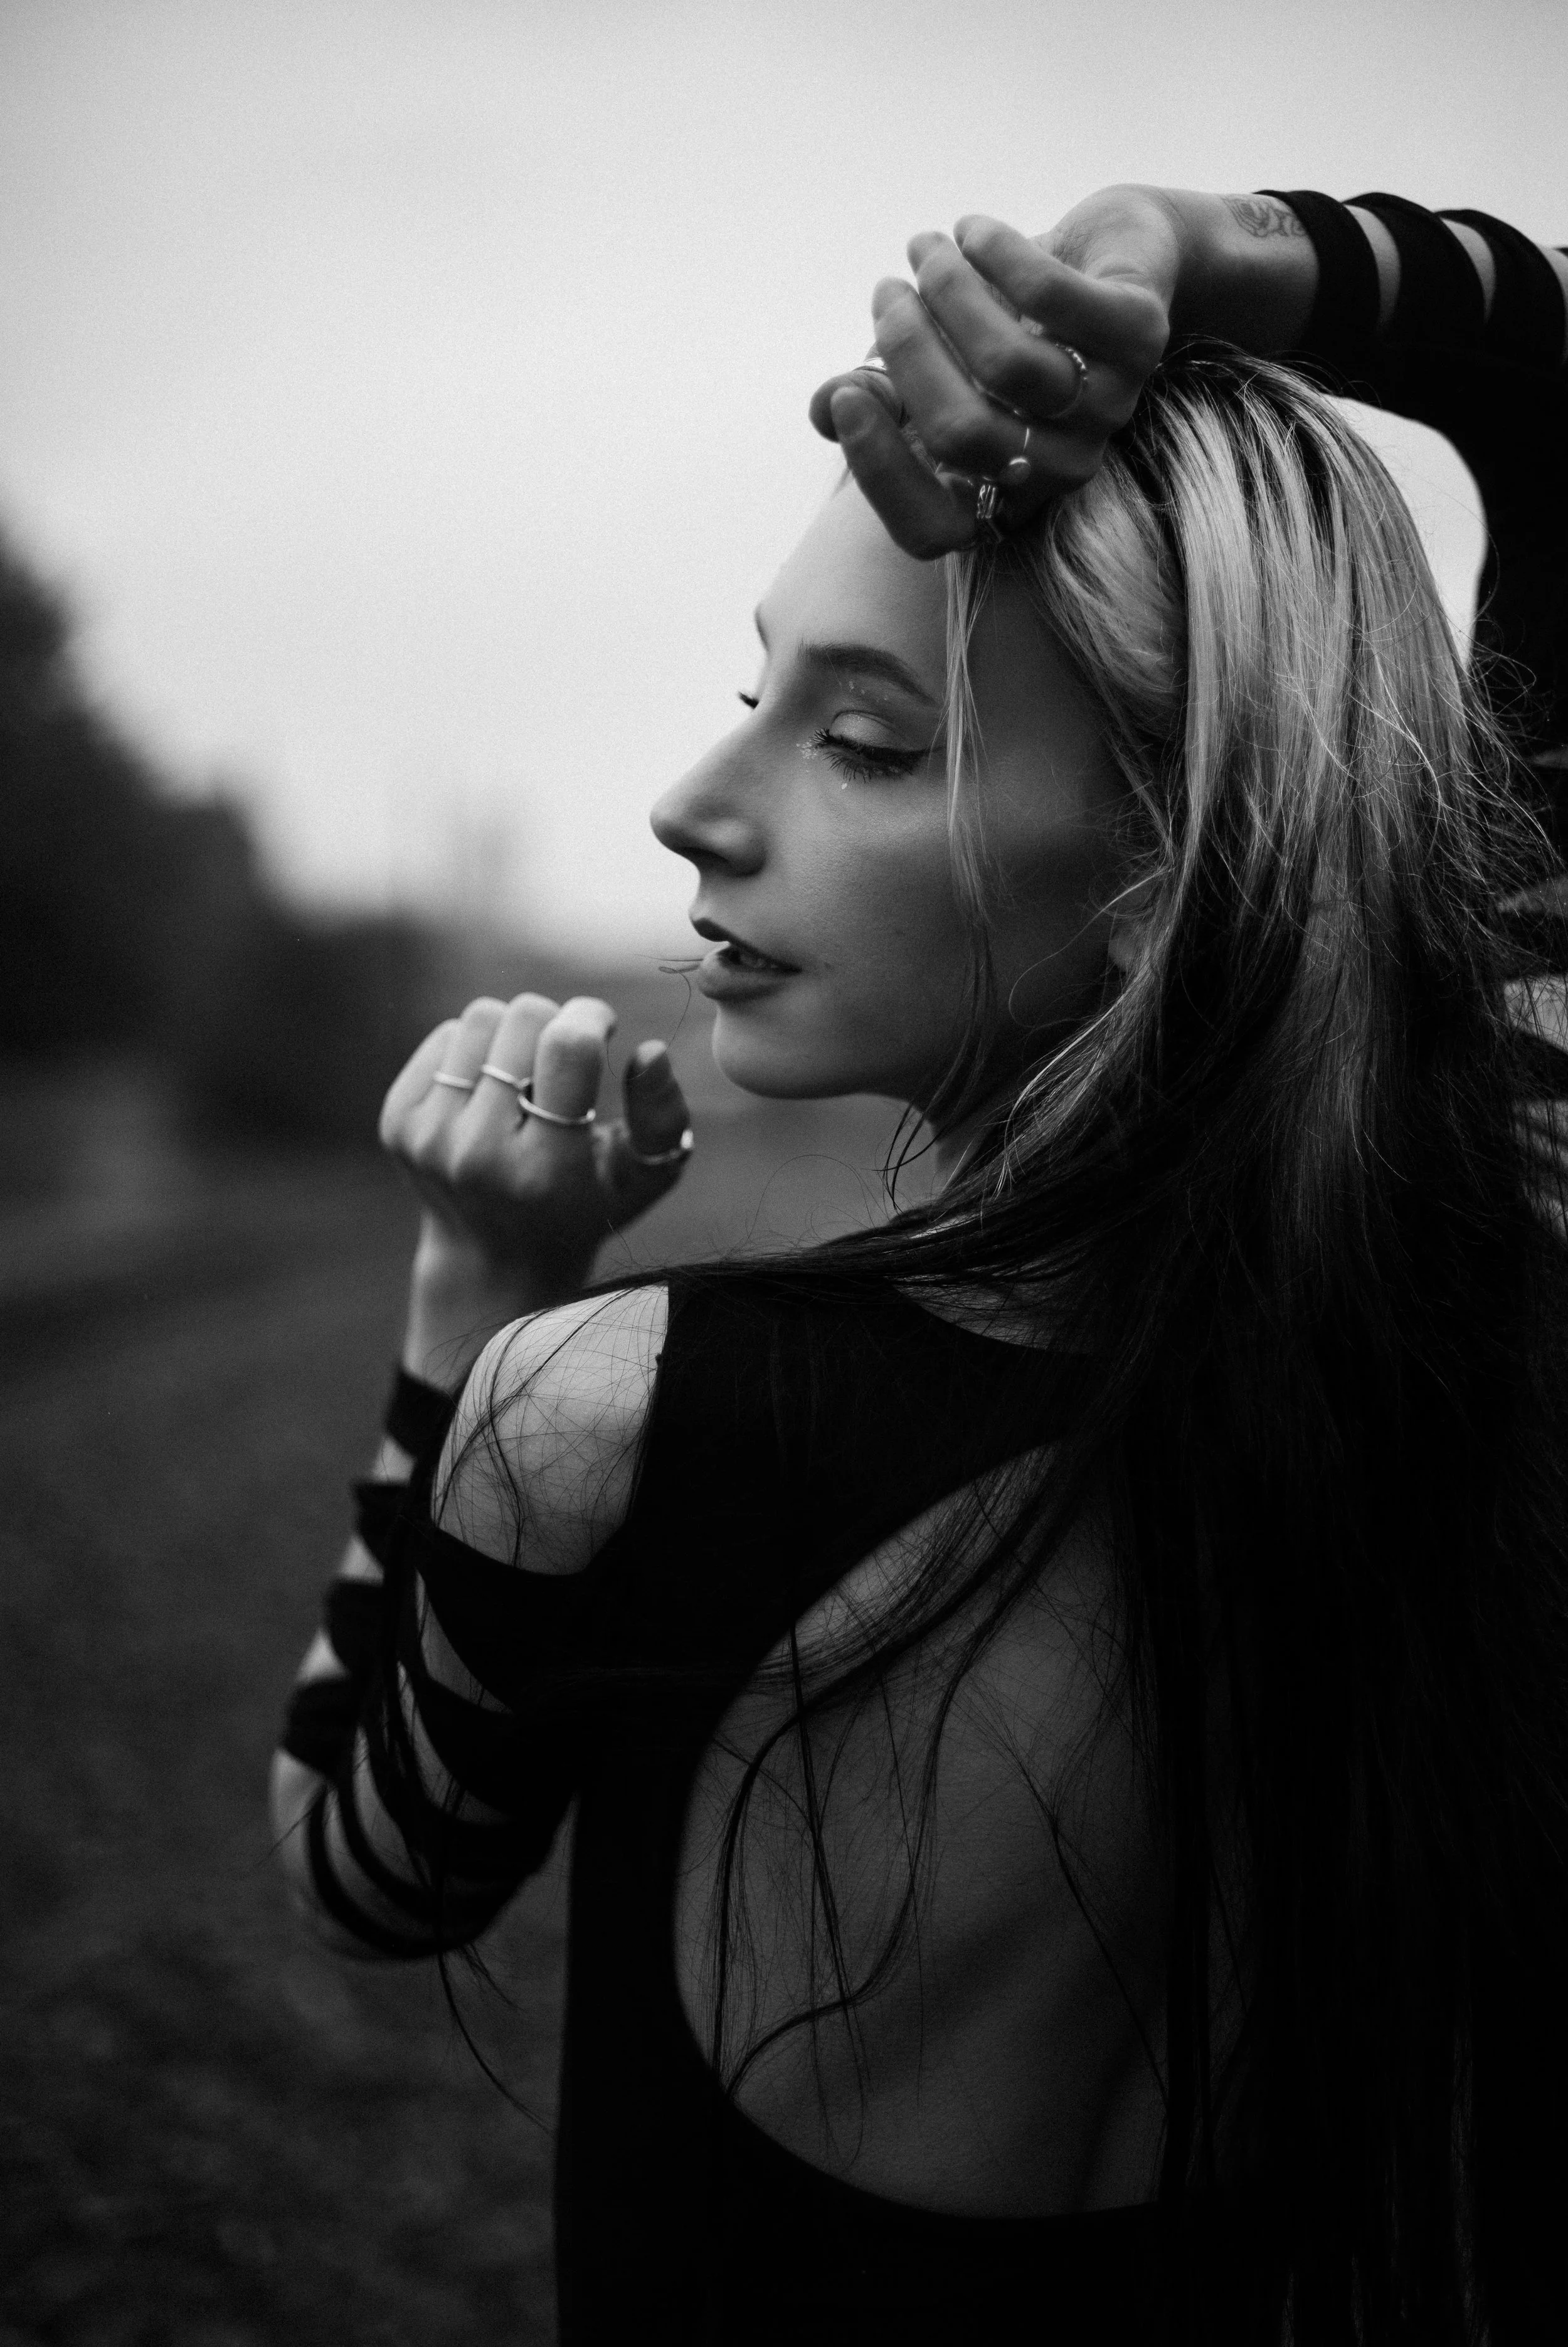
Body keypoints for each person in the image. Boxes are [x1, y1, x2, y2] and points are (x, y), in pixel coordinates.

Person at [271, 187, 1568, 2344]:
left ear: (1173, 871)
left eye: (863, 739)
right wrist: (1218, 251)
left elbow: (362, 1872)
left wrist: (473, 1296)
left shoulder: (609, 1417)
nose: (693, 802)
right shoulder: (1491, 1292)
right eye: (753, 693)